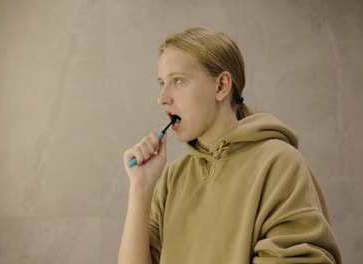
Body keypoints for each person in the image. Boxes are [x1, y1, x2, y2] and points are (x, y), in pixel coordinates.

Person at [118, 27, 342, 264]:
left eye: (178, 80)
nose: (162, 97)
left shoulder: (279, 163)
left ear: (221, 85)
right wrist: (140, 188)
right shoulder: (175, 176)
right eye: (162, 82)